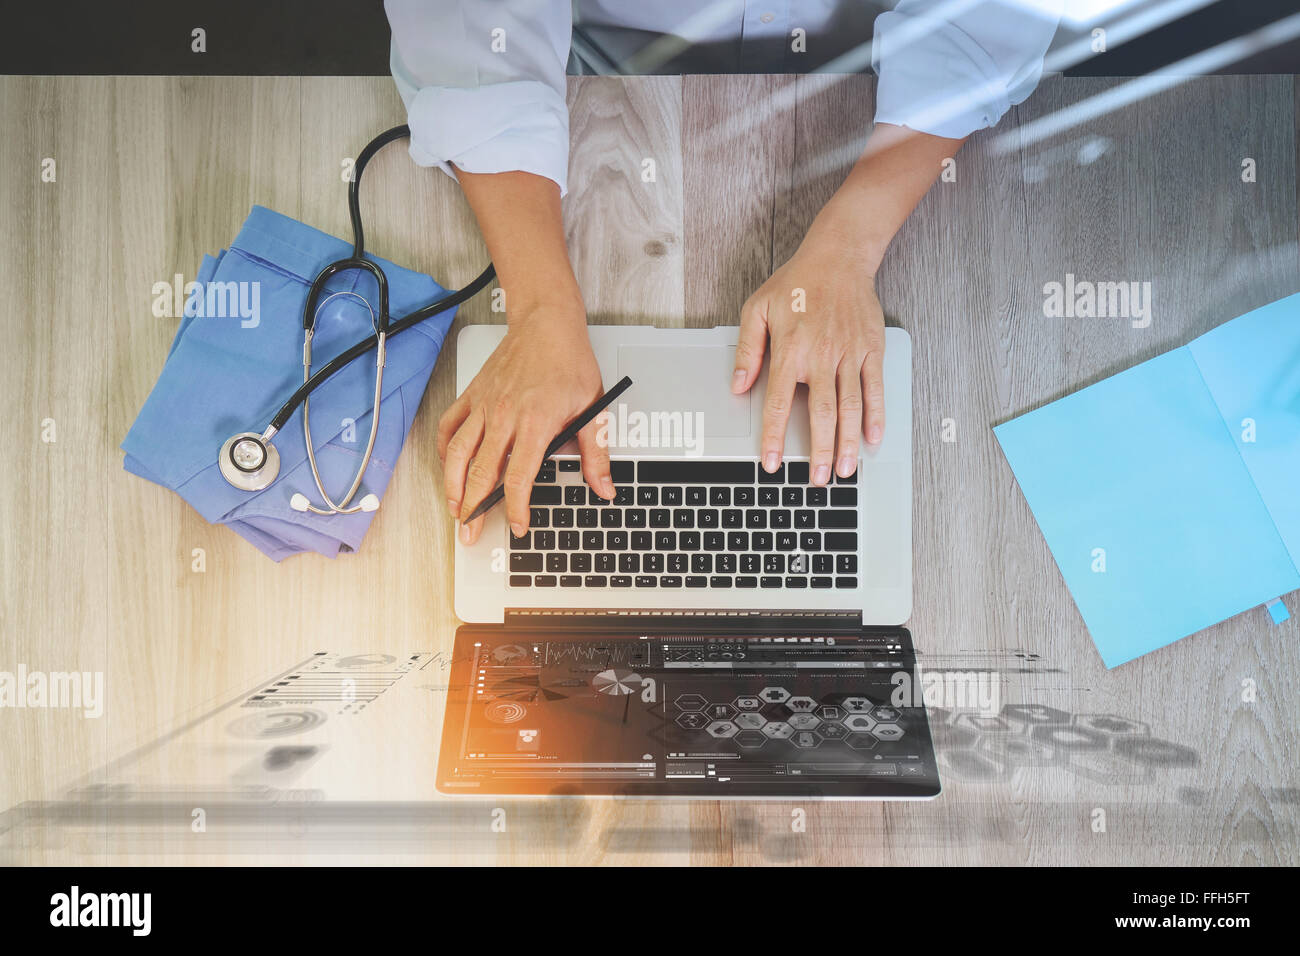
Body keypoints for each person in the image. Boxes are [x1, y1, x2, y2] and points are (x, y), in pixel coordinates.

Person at [382, 0, 1061, 544]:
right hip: (606, 67)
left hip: (875, 66)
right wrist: (539, 308)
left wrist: (850, 245)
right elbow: (470, 27)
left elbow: (990, 18)